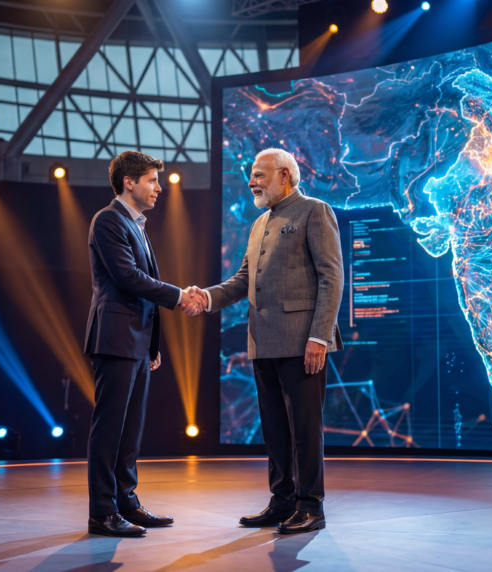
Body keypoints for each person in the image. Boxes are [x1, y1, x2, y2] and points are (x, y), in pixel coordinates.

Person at [186, 148, 343, 534]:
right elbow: (242, 280)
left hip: (303, 342)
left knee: (305, 430)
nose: (252, 181)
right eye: (252, 175)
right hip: (263, 343)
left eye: (259, 175)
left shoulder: (315, 210)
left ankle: (310, 506)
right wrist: (205, 297)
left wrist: (320, 337)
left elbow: (332, 278)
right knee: (275, 429)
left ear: (285, 175)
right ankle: (282, 501)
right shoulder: (259, 224)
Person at [83, 151, 205, 537]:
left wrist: (152, 347)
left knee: (130, 431)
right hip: (115, 340)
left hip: (135, 343)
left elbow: (141, 290)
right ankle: (102, 513)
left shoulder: (137, 224)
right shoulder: (108, 220)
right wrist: (180, 294)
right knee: (110, 430)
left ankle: (127, 504)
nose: (158, 188)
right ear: (129, 182)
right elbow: (128, 278)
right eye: (152, 180)